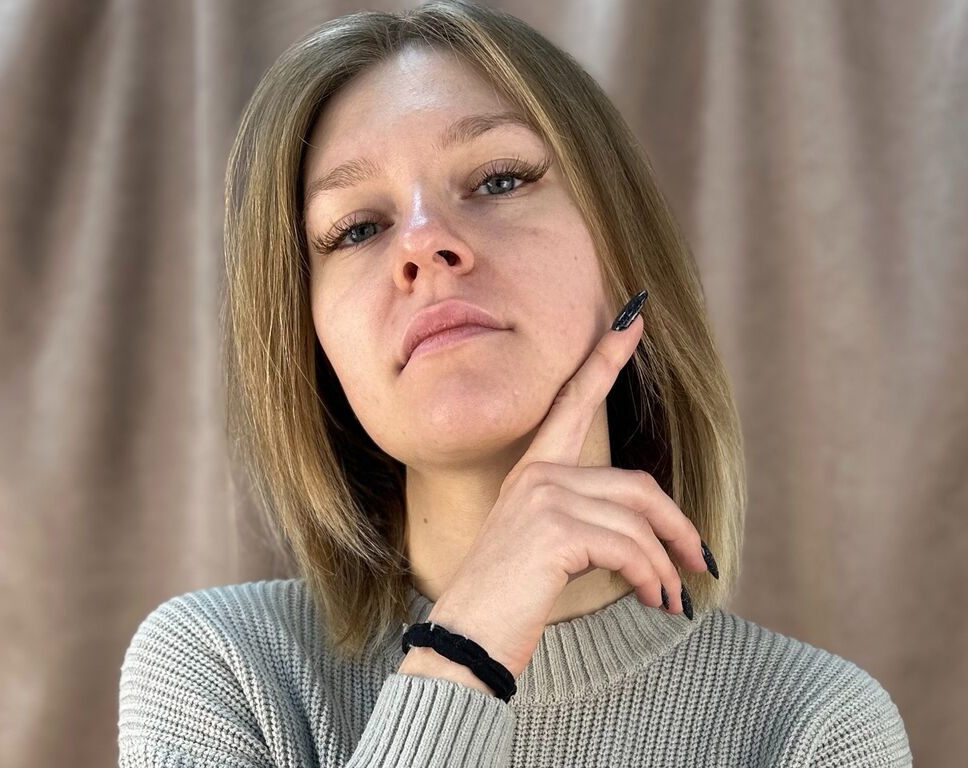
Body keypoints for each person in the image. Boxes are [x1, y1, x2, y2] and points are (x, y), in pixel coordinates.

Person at [118, 2, 912, 766]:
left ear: (623, 250)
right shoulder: (220, 668)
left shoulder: (815, 726)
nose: (424, 243)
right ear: (313, 342)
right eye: (357, 228)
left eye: (498, 180)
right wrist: (467, 644)